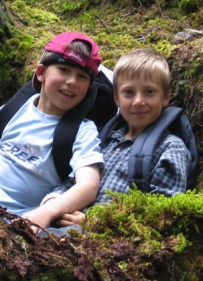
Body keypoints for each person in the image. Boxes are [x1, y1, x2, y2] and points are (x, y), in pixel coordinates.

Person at [0, 31, 104, 232]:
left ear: (88, 89)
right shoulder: (12, 110)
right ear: (41, 72)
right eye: (64, 70)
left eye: (82, 76)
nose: (72, 81)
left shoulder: (82, 131)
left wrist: (46, 213)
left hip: (19, 221)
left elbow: (88, 186)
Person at [41, 48, 191, 233]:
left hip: (111, 244)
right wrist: (52, 202)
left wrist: (97, 223)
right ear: (116, 99)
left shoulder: (170, 148)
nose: (138, 101)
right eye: (128, 92)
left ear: (166, 97)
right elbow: (71, 181)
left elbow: (164, 217)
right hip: (63, 229)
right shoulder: (105, 140)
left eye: (149, 92)